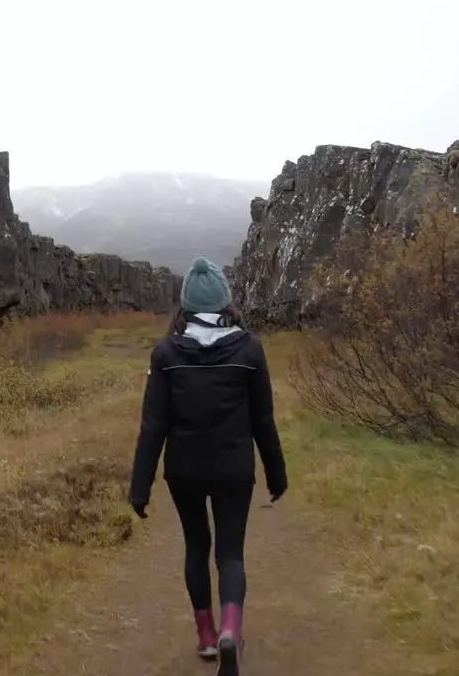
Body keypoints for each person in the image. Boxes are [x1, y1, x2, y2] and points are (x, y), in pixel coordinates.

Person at [128, 256, 288, 676]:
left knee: (196, 547)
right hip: (234, 469)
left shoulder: (165, 353)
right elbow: (263, 421)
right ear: (225, 302)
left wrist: (139, 486)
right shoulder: (250, 350)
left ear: (185, 306)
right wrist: (276, 473)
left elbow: (153, 424)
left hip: (183, 470)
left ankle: (204, 636)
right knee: (230, 552)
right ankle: (230, 632)